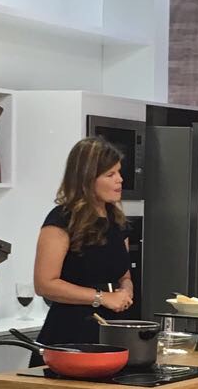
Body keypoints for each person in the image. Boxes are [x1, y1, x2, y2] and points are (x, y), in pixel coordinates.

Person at [33, 137, 134, 350]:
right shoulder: (62, 219)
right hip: (71, 331)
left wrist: (125, 291)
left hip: (113, 328)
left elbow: (124, 275)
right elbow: (45, 284)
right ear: (87, 179)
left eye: (119, 172)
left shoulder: (117, 220)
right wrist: (101, 298)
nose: (120, 180)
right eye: (110, 175)